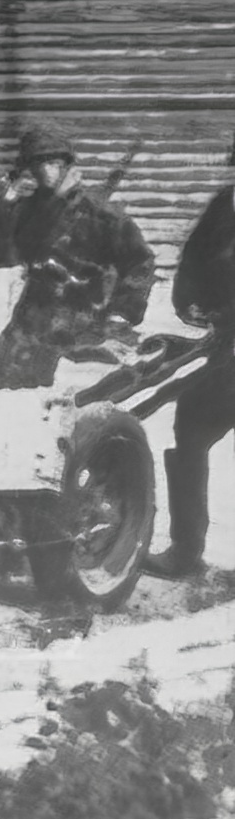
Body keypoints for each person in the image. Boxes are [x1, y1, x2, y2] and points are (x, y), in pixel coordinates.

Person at [0, 123, 152, 375]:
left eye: (55, 163)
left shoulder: (99, 213)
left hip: (84, 326)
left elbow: (140, 262)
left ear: (67, 166)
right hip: (30, 326)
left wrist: (122, 315)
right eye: (39, 163)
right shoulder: (25, 210)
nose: (47, 171)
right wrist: (3, 204)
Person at [148, 141, 235, 577]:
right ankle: (185, 549)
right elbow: (193, 259)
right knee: (192, 425)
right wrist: (190, 303)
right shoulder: (224, 205)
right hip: (227, 343)